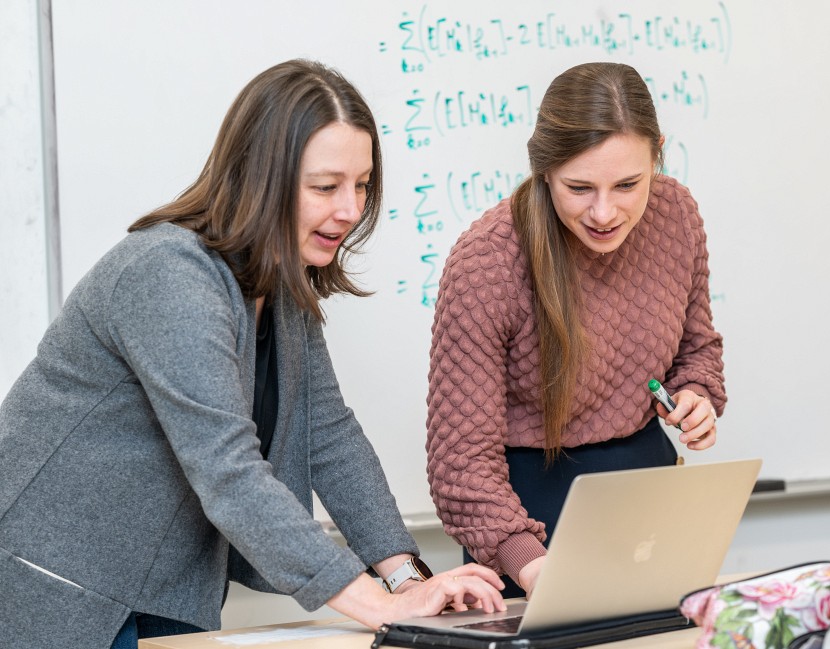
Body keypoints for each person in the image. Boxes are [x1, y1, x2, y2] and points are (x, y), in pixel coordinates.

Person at [0, 59, 504, 649]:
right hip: (60, 581)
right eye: (325, 186)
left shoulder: (279, 284)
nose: (350, 210)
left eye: (362, 184)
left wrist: (404, 577)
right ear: (260, 177)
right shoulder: (167, 273)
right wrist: (373, 603)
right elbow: (229, 470)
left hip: (167, 584)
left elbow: (329, 436)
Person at [425, 62, 726, 599]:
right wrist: (528, 562)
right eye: (580, 187)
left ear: (657, 152)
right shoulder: (487, 263)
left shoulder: (675, 213)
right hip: (522, 517)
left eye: (629, 184)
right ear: (542, 170)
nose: (605, 211)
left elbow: (696, 346)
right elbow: (461, 462)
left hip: (646, 494)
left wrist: (695, 394)